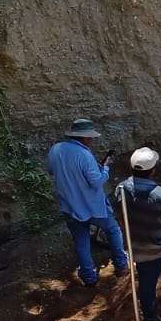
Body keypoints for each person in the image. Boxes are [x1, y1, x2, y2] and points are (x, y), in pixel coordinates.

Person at [45, 118, 129, 287]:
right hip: (92, 207)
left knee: (81, 241)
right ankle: (121, 265)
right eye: (91, 137)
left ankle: (89, 277)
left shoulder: (56, 150)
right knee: (113, 229)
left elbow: (51, 170)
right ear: (85, 137)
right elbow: (96, 182)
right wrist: (105, 168)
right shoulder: (84, 155)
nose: (92, 140)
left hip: (69, 206)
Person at [114, 147, 161, 321]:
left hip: (138, 249)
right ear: (153, 170)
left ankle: (151, 320)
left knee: (146, 285)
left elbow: (121, 217)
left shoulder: (121, 189)